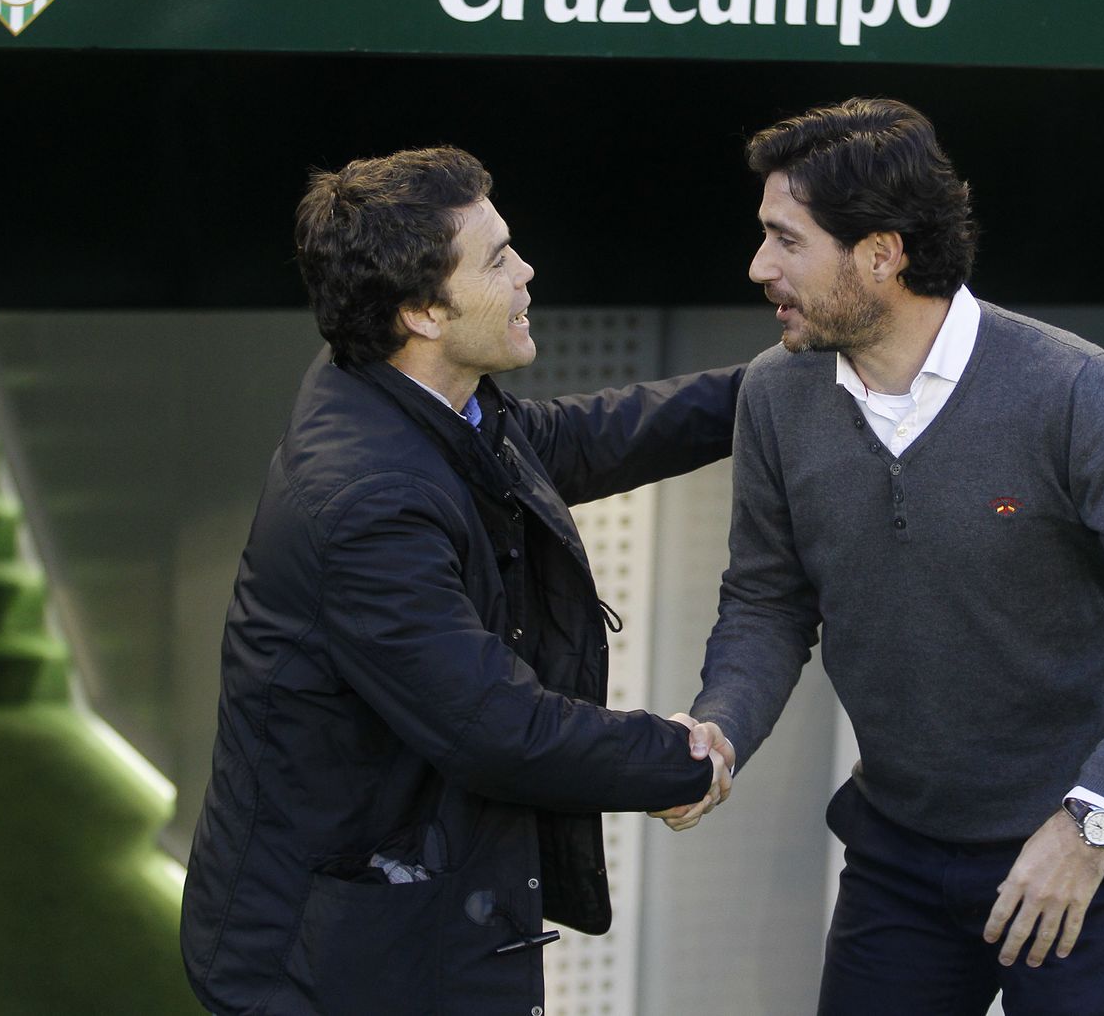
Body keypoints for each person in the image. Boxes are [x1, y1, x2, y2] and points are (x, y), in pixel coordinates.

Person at [668, 99, 1104, 1014]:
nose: (760, 268)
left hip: (1079, 852)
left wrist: (1093, 815)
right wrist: (721, 729)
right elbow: (768, 604)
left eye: (787, 241)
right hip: (897, 853)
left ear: (881, 252)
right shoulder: (775, 398)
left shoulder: (1070, 388)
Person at [180, 145, 736, 1016]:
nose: (526, 272)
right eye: (498, 258)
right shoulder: (368, 500)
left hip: (406, 924)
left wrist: (767, 391)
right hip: (329, 970)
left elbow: (580, 439)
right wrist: (679, 759)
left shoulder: (396, 391)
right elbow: (495, 727)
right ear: (423, 311)